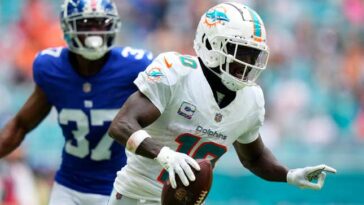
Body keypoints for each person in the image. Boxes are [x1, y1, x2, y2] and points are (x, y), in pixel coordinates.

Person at [107, 2, 336, 205]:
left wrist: (289, 175)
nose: (246, 63)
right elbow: (121, 124)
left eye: (252, 56)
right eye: (239, 52)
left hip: (186, 201)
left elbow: (254, 158)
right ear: (210, 44)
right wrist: (165, 155)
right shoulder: (177, 72)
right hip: (134, 197)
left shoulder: (251, 99)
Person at [0, 0, 152, 204]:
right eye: (87, 24)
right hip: (69, 187)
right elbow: (20, 125)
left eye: (101, 24)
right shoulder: (52, 68)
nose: (95, 32)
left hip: (120, 186)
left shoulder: (134, 67)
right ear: (68, 28)